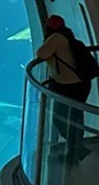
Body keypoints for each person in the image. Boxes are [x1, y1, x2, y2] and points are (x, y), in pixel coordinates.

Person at [35, 14, 94, 162]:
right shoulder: (67, 36)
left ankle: (74, 150)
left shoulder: (55, 38)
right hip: (81, 84)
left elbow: (41, 53)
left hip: (69, 86)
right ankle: (76, 148)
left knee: (60, 118)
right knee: (75, 116)